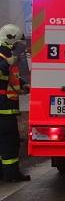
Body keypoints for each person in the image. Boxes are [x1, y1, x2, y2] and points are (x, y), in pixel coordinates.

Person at [0, 24, 30, 182]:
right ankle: (11, 174)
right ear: (10, 40)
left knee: (5, 142)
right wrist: (7, 64)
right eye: (17, 43)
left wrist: (24, 85)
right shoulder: (4, 58)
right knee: (10, 142)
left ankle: (4, 173)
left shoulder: (6, 57)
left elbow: (11, 80)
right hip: (3, 111)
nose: (19, 47)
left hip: (6, 110)